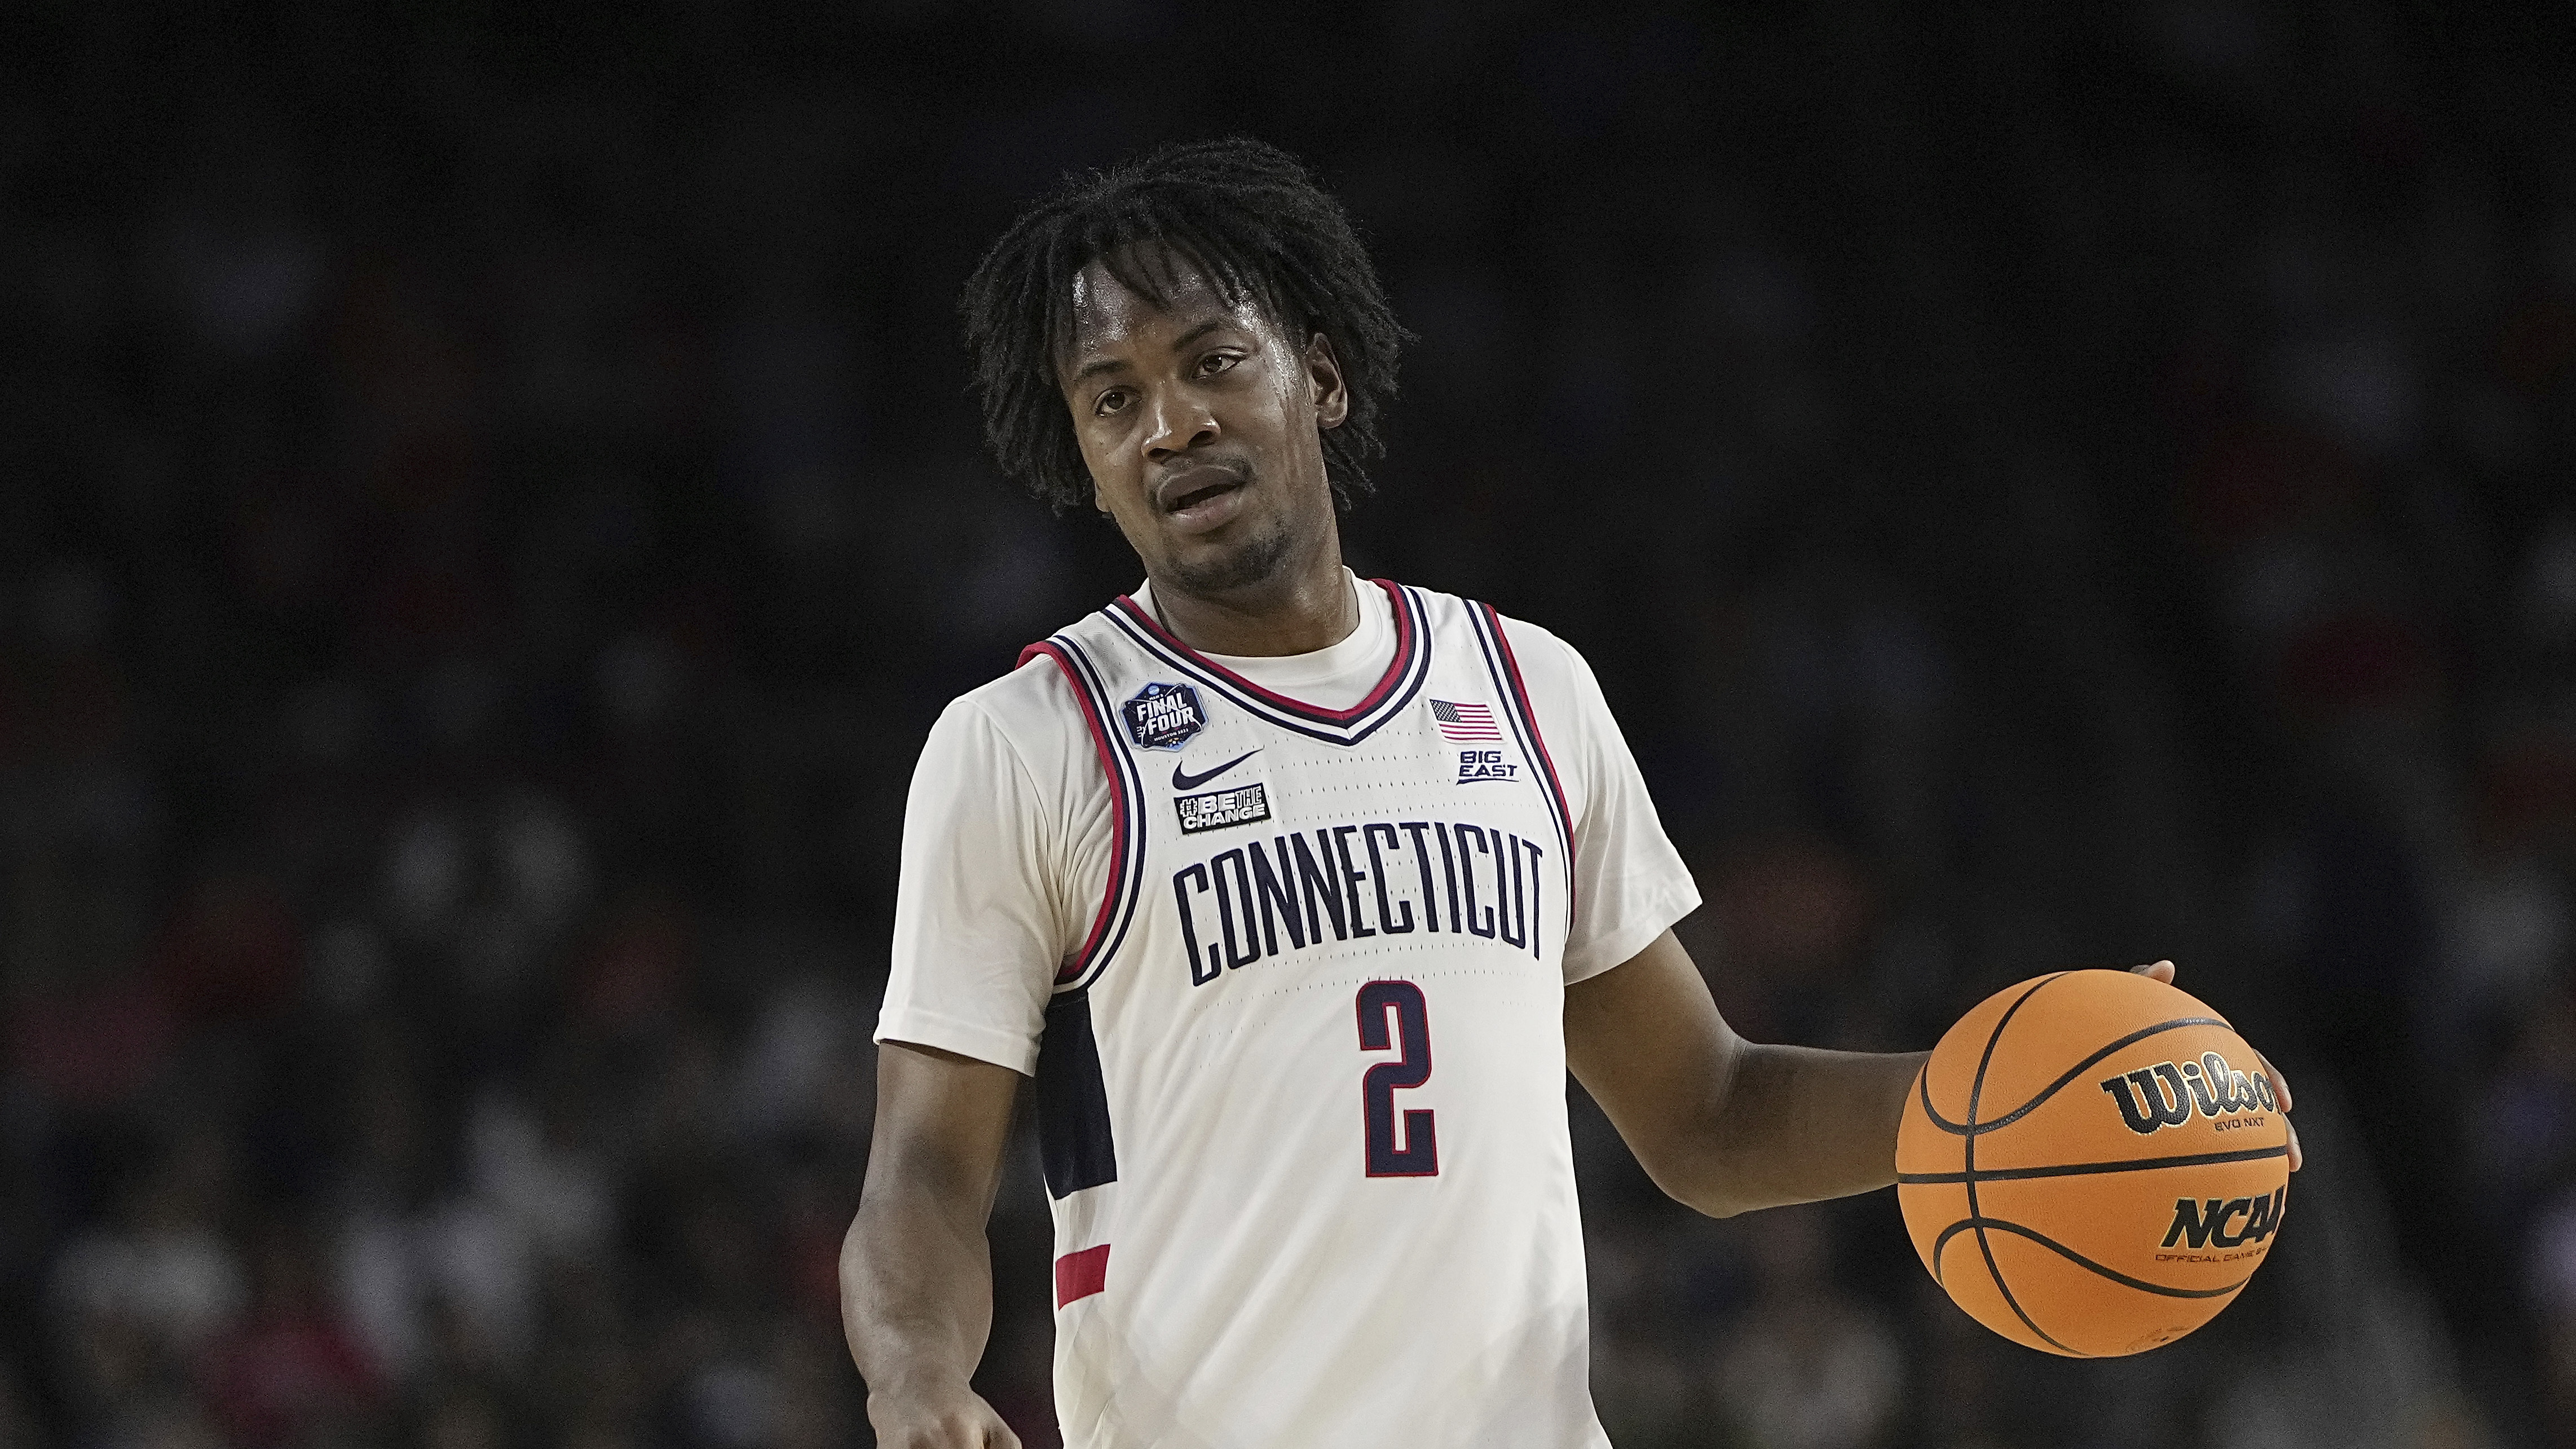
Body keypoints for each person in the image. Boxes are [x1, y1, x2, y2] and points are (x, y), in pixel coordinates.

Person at [837, 136, 2293, 1449]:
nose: (1170, 423)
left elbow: (1706, 1114)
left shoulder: (1528, 689)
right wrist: (913, 1377)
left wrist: (2002, 1109)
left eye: (1213, 360)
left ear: (1322, 373)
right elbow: (922, 1170)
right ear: (1085, 456)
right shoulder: (1026, 742)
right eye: (1114, 399)